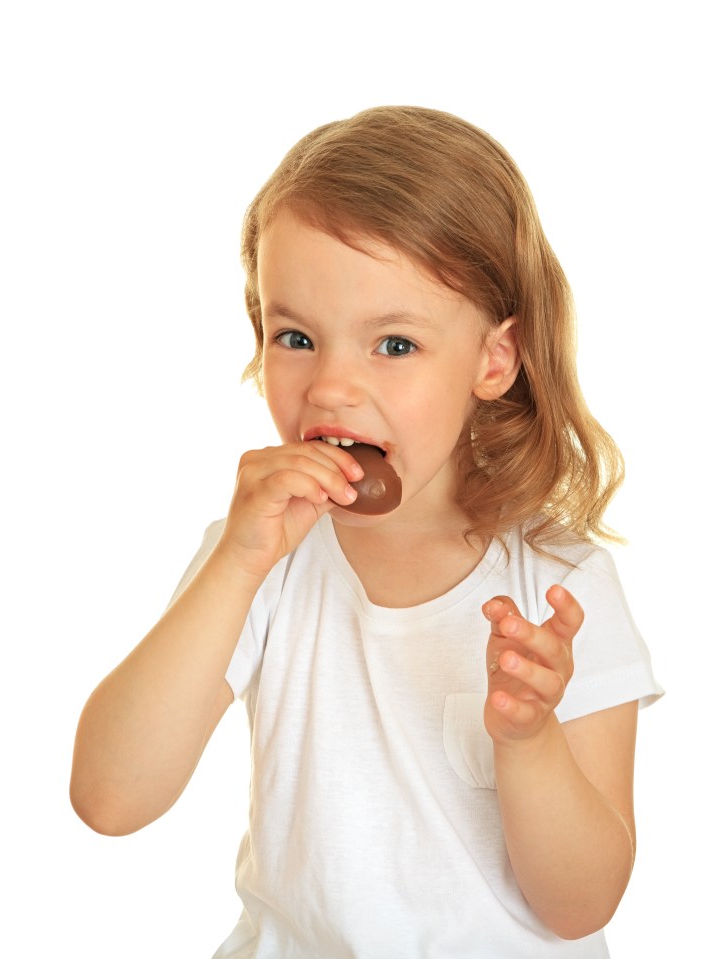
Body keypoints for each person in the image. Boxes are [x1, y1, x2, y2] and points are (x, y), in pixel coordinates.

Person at [70, 106, 663, 958]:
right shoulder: (263, 556)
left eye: (393, 342)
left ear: (494, 361)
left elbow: (581, 903)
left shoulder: (559, 585)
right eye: (297, 337)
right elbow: (109, 797)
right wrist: (237, 564)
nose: (333, 387)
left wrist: (529, 742)